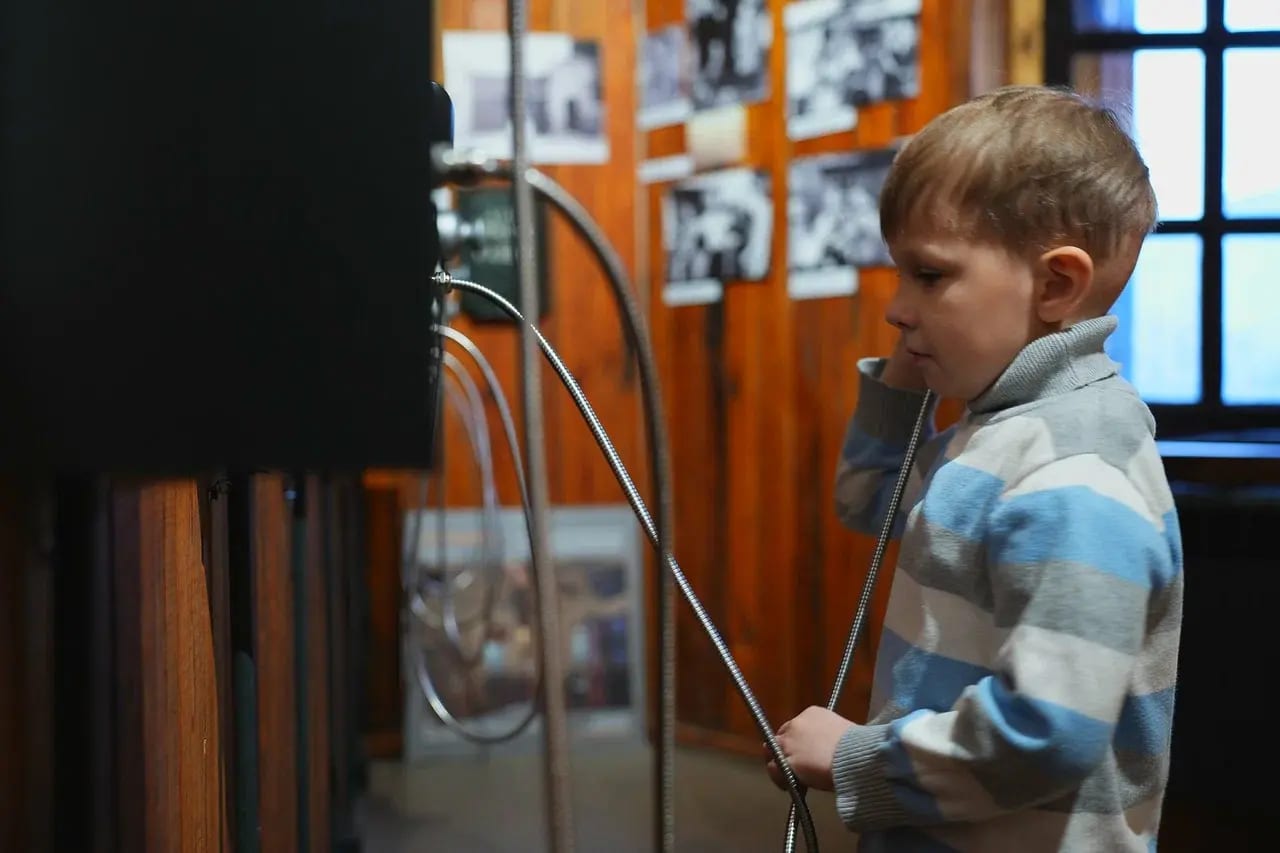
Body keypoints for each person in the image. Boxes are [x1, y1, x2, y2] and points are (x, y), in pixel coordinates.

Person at [766, 85, 1184, 852]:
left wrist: (858, 757)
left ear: (1055, 285)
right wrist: (913, 361)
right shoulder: (1000, 427)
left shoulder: (1075, 474)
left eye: (928, 276)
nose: (895, 308)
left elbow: (1047, 731)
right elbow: (870, 499)